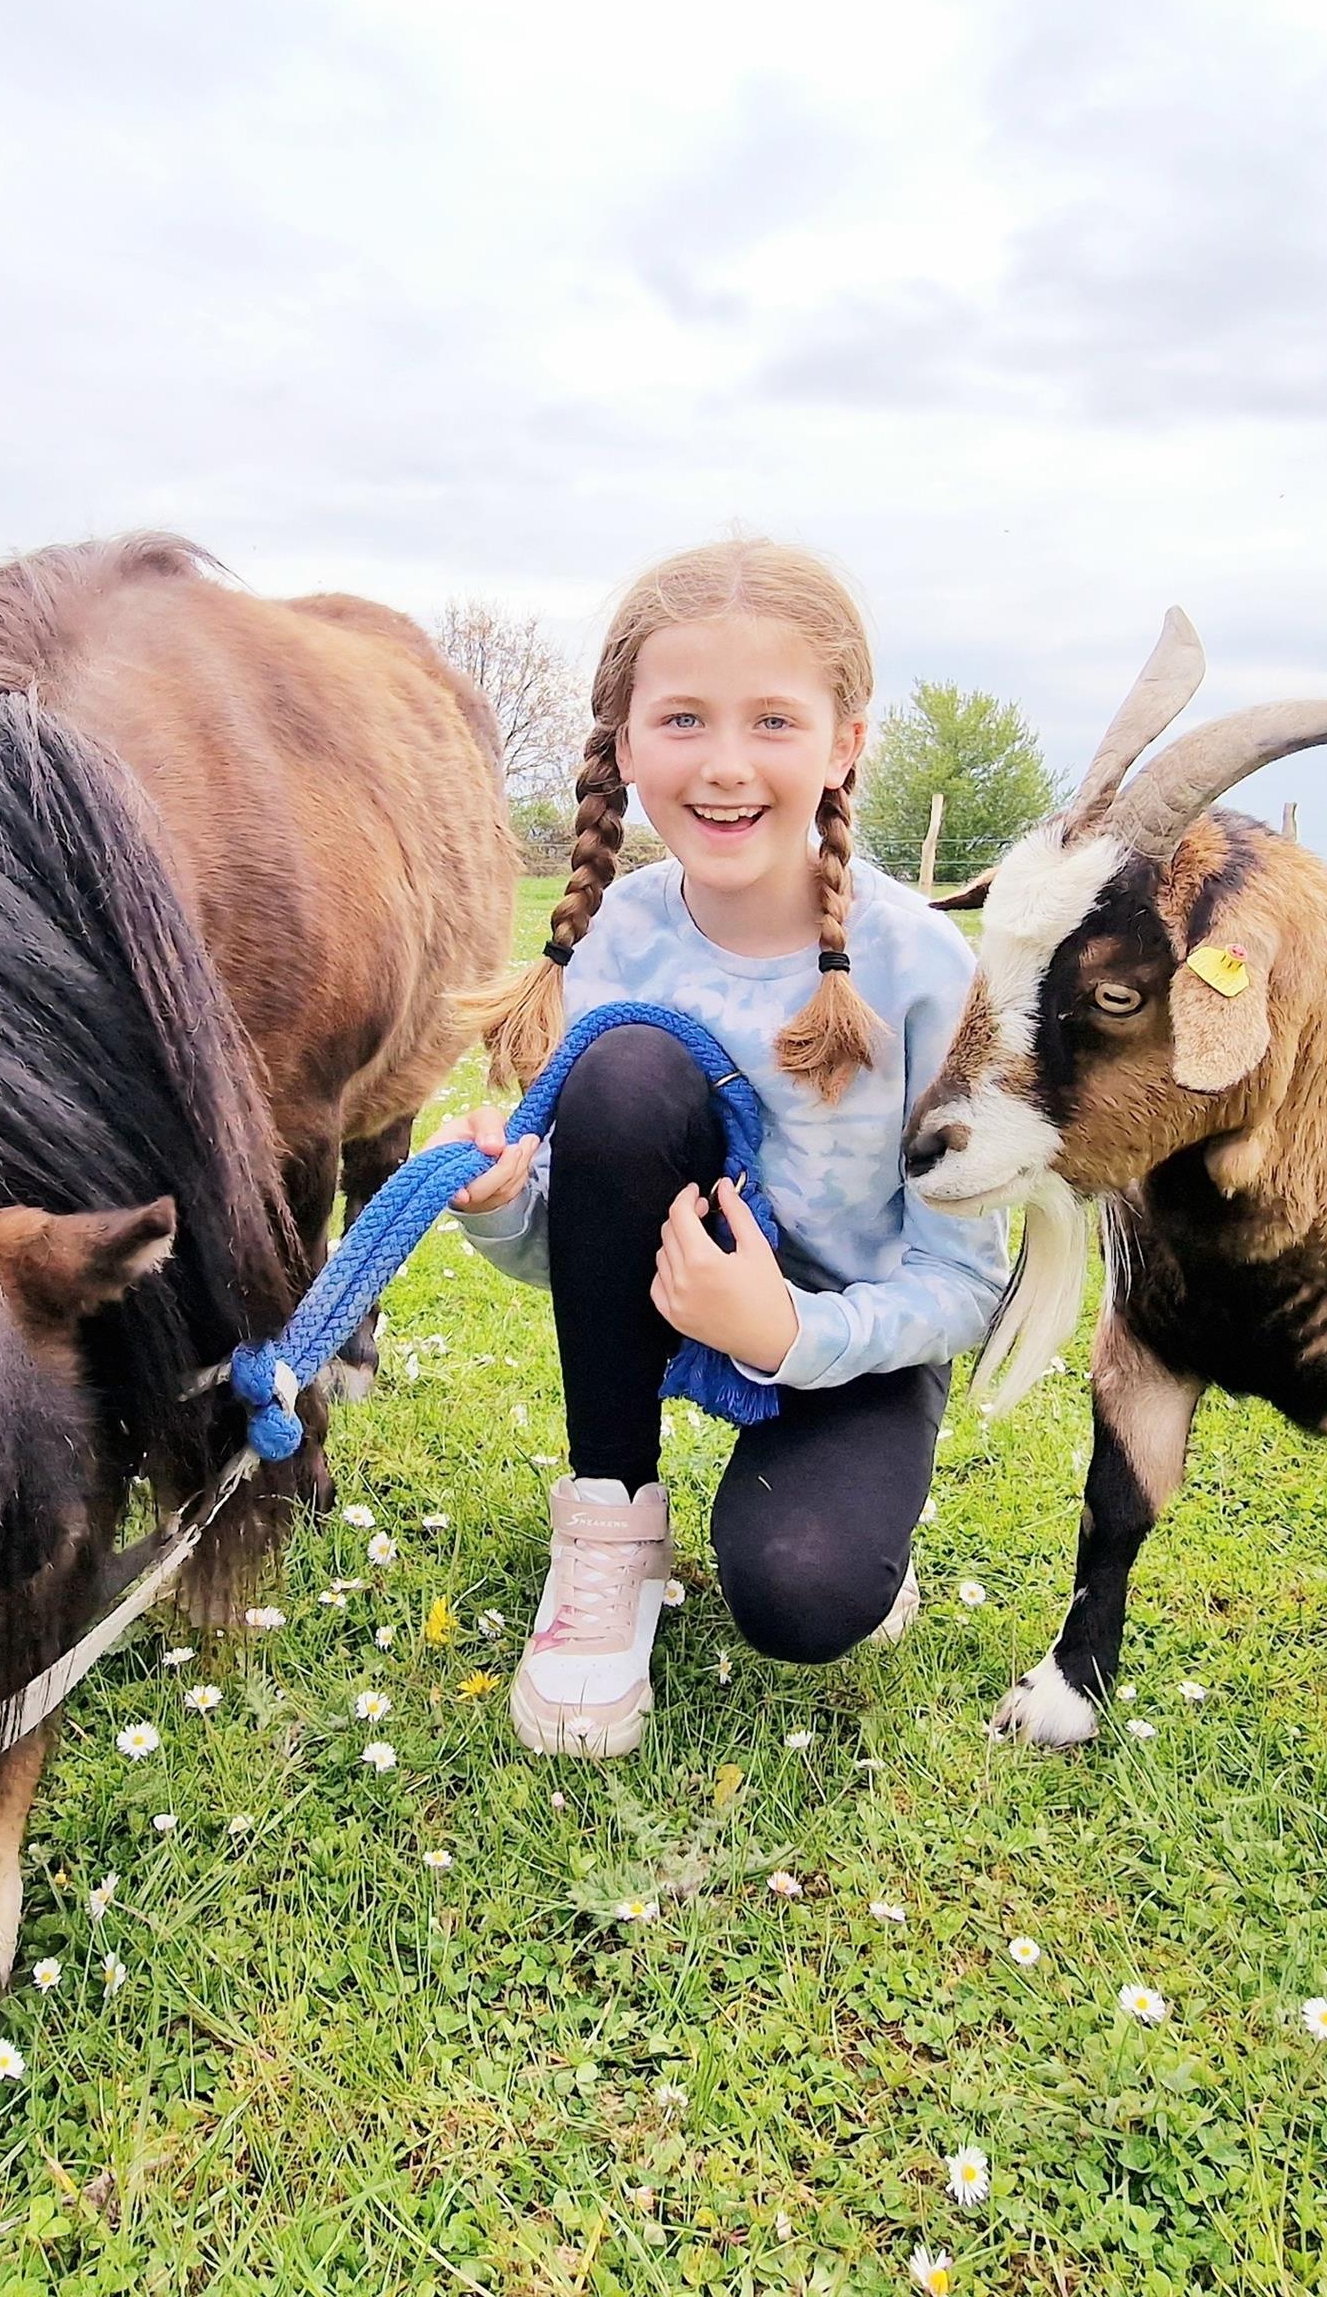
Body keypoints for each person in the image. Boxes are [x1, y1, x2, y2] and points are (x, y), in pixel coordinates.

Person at [434, 540, 1006, 1756]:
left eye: (774, 721)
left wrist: (790, 1332)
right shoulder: (613, 940)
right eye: (683, 718)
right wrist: (502, 1205)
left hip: (846, 1341)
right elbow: (582, 1258)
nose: (727, 764)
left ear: (845, 744)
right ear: (625, 744)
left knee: (804, 1594)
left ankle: (856, 1515)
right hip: (670, 1309)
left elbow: (965, 1284)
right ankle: (610, 1526)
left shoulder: (923, 967)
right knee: (630, 1066)